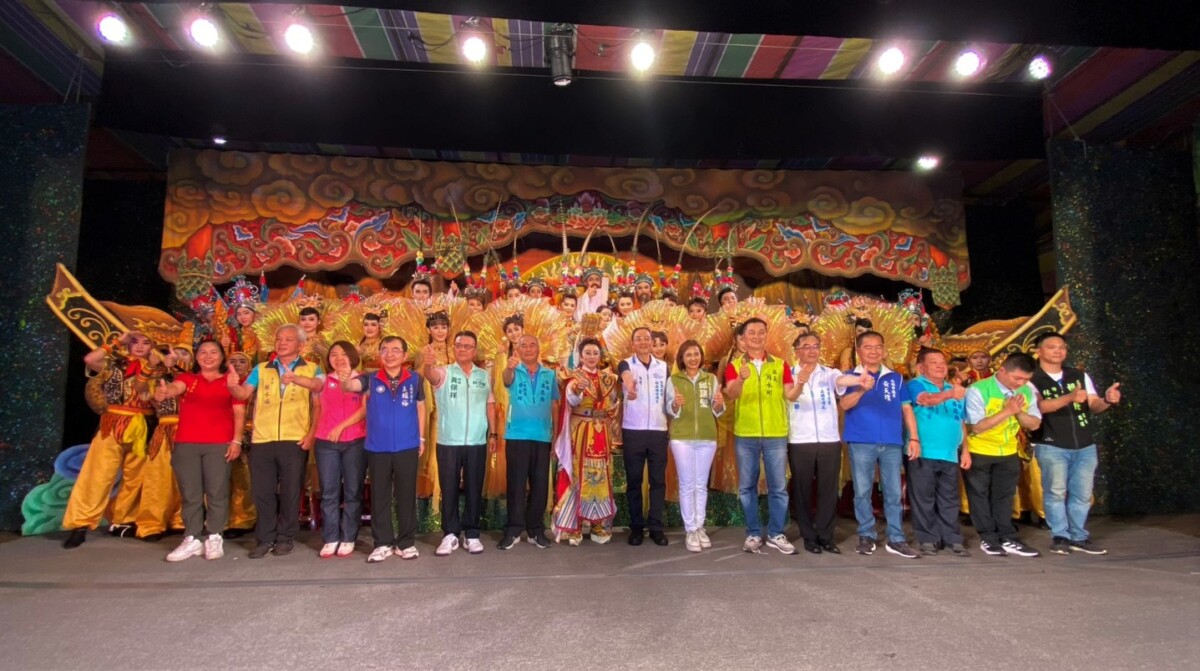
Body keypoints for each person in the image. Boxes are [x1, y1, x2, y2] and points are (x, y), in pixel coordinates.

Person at [227, 324, 322, 558]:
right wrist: (233, 385)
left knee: (291, 490)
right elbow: (244, 393)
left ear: (300, 345)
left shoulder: (312, 368)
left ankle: (285, 537)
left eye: (288, 339)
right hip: (262, 438)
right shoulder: (261, 368)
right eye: (279, 338)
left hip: (294, 438)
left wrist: (311, 434)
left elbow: (319, 393)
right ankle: (265, 538)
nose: (282, 343)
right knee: (262, 491)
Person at [62, 332, 160, 549]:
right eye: (135, 342)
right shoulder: (115, 365)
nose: (140, 346)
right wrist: (118, 341)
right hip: (113, 424)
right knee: (98, 475)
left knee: (136, 477)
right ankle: (81, 524)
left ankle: (123, 520)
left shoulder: (158, 369)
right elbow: (90, 360)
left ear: (152, 346)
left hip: (143, 426)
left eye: (146, 342)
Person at [154, 340, 246, 561]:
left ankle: (214, 536)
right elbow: (175, 388)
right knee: (190, 493)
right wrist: (165, 391)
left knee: (217, 492)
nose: (208, 356)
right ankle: (192, 538)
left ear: (222, 357)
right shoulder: (188, 379)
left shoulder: (231, 381)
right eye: (203, 352)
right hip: (187, 444)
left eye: (213, 352)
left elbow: (239, 413)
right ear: (196, 357)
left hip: (219, 444)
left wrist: (236, 441)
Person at [1030, 332, 1121, 555]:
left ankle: (1079, 536)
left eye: (1062, 346)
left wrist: (1107, 400)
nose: (1058, 351)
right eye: (1052, 347)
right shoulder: (1032, 378)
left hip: (1084, 444)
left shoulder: (1078, 375)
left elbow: (1093, 405)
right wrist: (1069, 398)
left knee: (1082, 493)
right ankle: (1060, 536)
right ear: (1038, 351)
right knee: (1056, 492)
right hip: (1051, 444)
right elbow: (1040, 407)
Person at [342, 336, 426, 562]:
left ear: (405, 355)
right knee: (380, 496)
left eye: (396, 350)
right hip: (378, 447)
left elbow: (420, 407)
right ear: (379, 354)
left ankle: (406, 543)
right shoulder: (370, 378)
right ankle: (382, 543)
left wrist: (421, 438)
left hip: (407, 445)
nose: (390, 354)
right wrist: (345, 380)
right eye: (385, 350)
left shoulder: (415, 379)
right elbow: (351, 386)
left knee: (406, 495)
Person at [839, 330, 919, 559]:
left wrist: (914, 438)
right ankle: (866, 535)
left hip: (892, 442)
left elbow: (907, 409)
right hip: (861, 441)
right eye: (868, 347)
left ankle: (896, 538)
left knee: (893, 492)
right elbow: (844, 405)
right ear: (859, 351)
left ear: (884, 351)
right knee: (862, 491)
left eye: (878, 347)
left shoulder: (896, 378)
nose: (874, 351)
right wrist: (861, 388)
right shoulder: (849, 376)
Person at [723, 318, 795, 555]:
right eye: (751, 332)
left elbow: (790, 394)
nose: (756, 336)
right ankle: (753, 532)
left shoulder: (780, 364)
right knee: (746, 487)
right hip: (746, 434)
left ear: (766, 335)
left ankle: (776, 533)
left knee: (778, 487)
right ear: (743, 338)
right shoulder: (735, 365)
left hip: (776, 433)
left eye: (761, 332)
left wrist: (801, 383)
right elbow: (731, 394)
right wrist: (741, 378)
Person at [963, 352, 1043, 557]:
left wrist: (1018, 411)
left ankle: (1007, 536)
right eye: (1017, 378)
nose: (1021, 383)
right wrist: (1007, 411)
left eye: (1026, 379)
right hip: (979, 450)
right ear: (1002, 371)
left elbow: (1034, 423)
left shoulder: (1026, 391)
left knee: (1004, 496)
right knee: (980, 496)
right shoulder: (978, 389)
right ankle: (988, 538)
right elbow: (976, 427)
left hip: (1008, 450)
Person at [424, 331, 496, 556]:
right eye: (459, 345)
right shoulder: (444, 372)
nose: (462, 349)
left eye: (467, 346)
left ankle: (472, 534)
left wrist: (493, 434)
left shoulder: (484, 376)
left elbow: (490, 405)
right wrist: (427, 365)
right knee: (449, 488)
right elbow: (431, 377)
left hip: (476, 440)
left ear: (475, 351)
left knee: (474, 487)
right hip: (448, 441)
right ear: (453, 348)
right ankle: (450, 534)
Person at [785, 333, 855, 555]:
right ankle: (808, 536)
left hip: (828, 439)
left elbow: (842, 381)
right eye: (806, 346)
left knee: (828, 489)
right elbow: (789, 397)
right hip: (800, 439)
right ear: (797, 350)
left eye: (816, 346)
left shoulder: (829, 373)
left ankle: (826, 536)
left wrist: (859, 380)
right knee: (802, 489)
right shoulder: (789, 373)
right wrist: (800, 381)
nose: (812, 350)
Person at [902, 348, 971, 557]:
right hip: (923, 451)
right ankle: (928, 538)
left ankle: (952, 537)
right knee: (924, 498)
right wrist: (950, 394)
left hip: (950, 453)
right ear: (921, 367)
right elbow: (925, 400)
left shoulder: (953, 388)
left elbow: (961, 422)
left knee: (950, 498)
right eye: (934, 362)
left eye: (942, 362)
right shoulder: (915, 384)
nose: (940, 366)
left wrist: (965, 450)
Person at [552, 338, 621, 545]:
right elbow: (571, 400)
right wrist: (577, 390)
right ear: (580, 356)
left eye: (595, 353)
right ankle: (575, 524)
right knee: (578, 475)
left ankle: (598, 522)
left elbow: (613, 402)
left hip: (602, 433)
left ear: (600, 356)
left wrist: (613, 409)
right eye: (587, 353)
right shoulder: (573, 377)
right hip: (580, 432)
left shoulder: (609, 378)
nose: (591, 356)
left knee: (601, 476)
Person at [498, 335, 560, 550]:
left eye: (532, 345)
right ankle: (513, 530)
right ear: (517, 350)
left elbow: (554, 404)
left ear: (539, 348)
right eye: (523, 345)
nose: (528, 349)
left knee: (540, 485)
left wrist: (556, 433)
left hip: (542, 436)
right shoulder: (513, 370)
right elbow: (506, 380)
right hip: (517, 435)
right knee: (516, 484)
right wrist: (509, 368)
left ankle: (535, 530)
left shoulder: (550, 374)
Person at [665, 340, 725, 552]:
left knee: (700, 484)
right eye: (688, 355)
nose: (693, 358)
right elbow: (670, 410)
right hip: (682, 438)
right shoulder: (673, 380)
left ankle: (700, 527)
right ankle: (690, 529)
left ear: (701, 357)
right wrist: (675, 404)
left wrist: (718, 403)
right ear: (682, 358)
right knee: (687, 484)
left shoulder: (711, 379)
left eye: (696, 354)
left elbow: (718, 410)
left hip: (707, 438)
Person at [312, 341, 367, 559]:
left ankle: (348, 537)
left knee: (353, 491)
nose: (339, 358)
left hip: (355, 441)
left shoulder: (362, 379)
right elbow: (317, 408)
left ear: (352, 357)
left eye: (343, 354)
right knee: (329, 491)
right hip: (326, 443)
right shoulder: (323, 380)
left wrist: (342, 427)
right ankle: (330, 537)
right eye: (334, 355)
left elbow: (365, 410)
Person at [618, 327, 671, 546]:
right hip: (633, 430)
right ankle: (637, 527)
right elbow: (625, 375)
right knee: (634, 481)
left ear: (652, 342)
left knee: (658, 481)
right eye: (638, 339)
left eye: (646, 339)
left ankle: (656, 527)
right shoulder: (626, 363)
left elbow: (669, 397)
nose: (643, 342)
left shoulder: (664, 367)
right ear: (632, 343)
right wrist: (629, 384)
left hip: (658, 430)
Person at [225, 351, 257, 536]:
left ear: (249, 365)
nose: (237, 364)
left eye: (242, 361)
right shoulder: (222, 382)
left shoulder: (254, 385)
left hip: (249, 434)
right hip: (223, 432)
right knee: (221, 480)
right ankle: (221, 520)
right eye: (233, 361)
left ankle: (243, 520)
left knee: (244, 479)